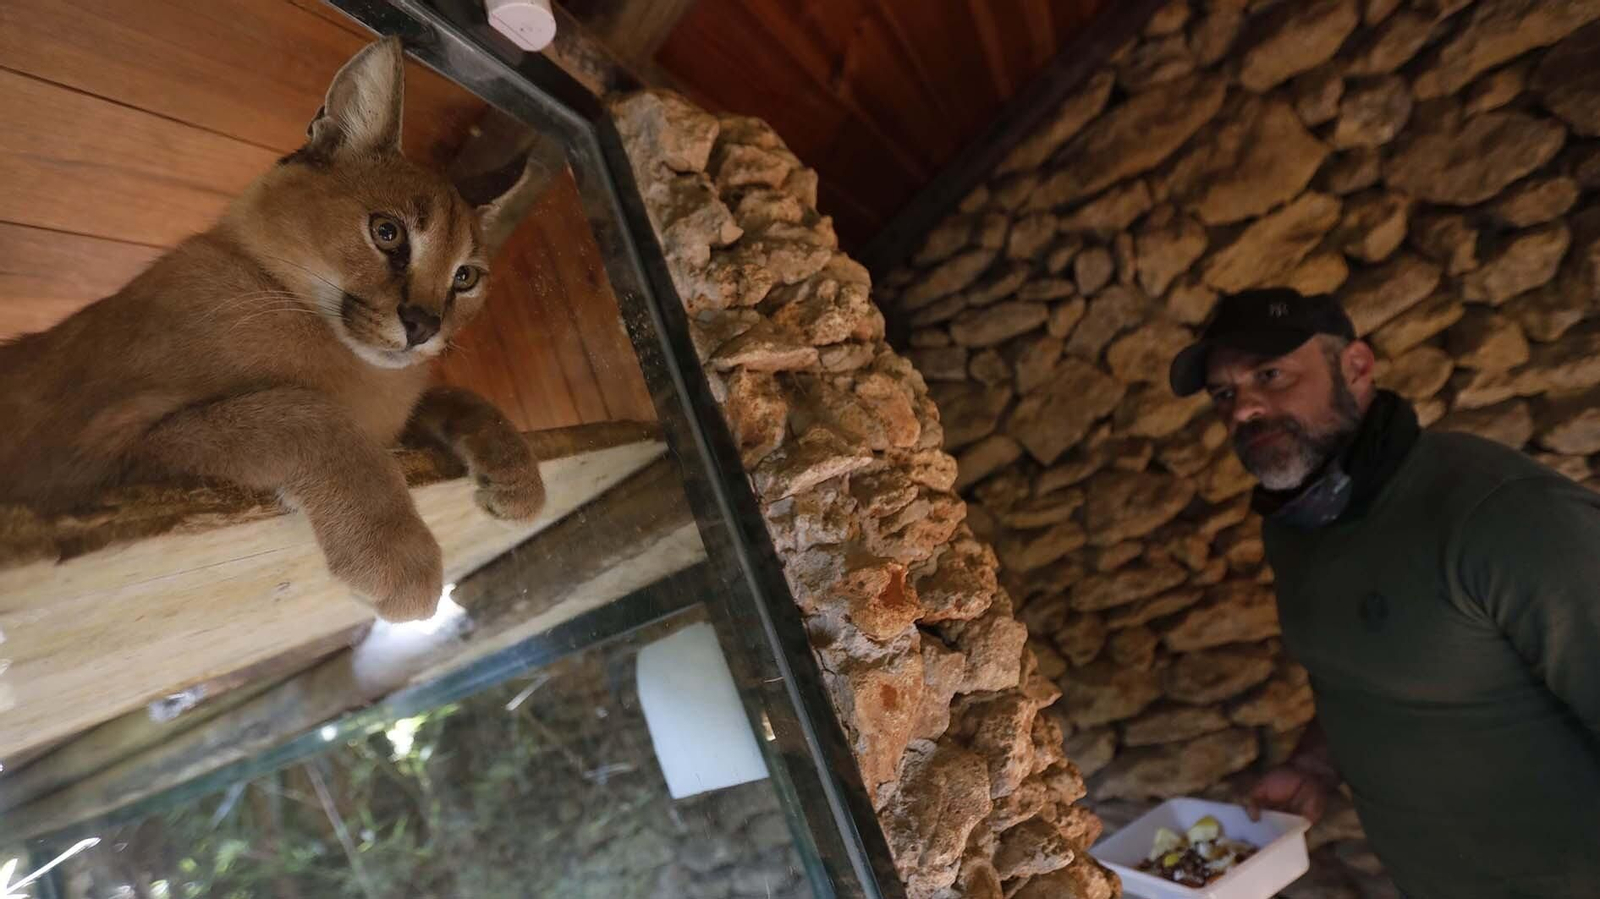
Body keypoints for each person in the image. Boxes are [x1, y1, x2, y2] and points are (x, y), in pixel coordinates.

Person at [1167, 288, 1600, 899]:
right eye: (1223, 394)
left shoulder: (1506, 516)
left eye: (1270, 375)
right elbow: (1373, 667)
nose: (1244, 410)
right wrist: (1315, 763)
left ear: (1357, 367)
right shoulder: (1299, 523)